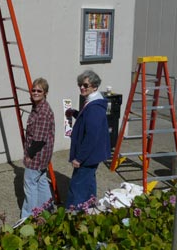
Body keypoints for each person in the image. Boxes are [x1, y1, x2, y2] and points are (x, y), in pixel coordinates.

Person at [65, 70, 111, 209]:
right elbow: (87, 121)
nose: (82, 87)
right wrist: (75, 113)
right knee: (89, 182)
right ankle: (90, 210)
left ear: (95, 87)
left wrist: (79, 158)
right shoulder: (92, 103)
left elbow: (91, 136)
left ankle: (74, 216)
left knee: (77, 187)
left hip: (87, 156)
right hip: (92, 156)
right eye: (80, 85)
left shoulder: (94, 107)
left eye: (85, 85)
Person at [21, 78, 55, 218]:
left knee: (30, 185)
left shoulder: (43, 112)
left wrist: (28, 156)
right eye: (33, 90)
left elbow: (39, 140)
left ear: (45, 93)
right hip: (43, 156)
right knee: (41, 182)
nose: (35, 92)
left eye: (39, 91)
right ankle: (48, 211)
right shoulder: (37, 107)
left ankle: (28, 217)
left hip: (37, 156)